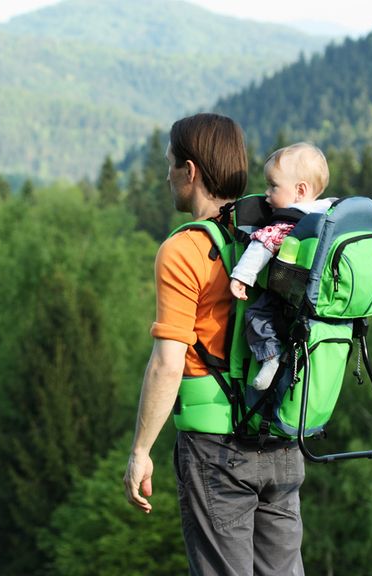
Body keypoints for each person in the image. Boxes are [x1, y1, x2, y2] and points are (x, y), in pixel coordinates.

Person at [123, 113, 306, 576]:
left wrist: (140, 450)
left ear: (191, 171)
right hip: (282, 441)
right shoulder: (278, 232)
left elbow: (168, 364)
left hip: (216, 452)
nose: (166, 175)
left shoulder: (184, 250)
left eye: (169, 164)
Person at [230, 142, 334, 390]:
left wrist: (241, 277)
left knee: (255, 315)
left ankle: (270, 358)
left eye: (273, 186)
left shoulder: (287, 222)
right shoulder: (330, 212)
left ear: (300, 190)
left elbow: (260, 247)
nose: (266, 193)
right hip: (322, 297)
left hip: (289, 293)